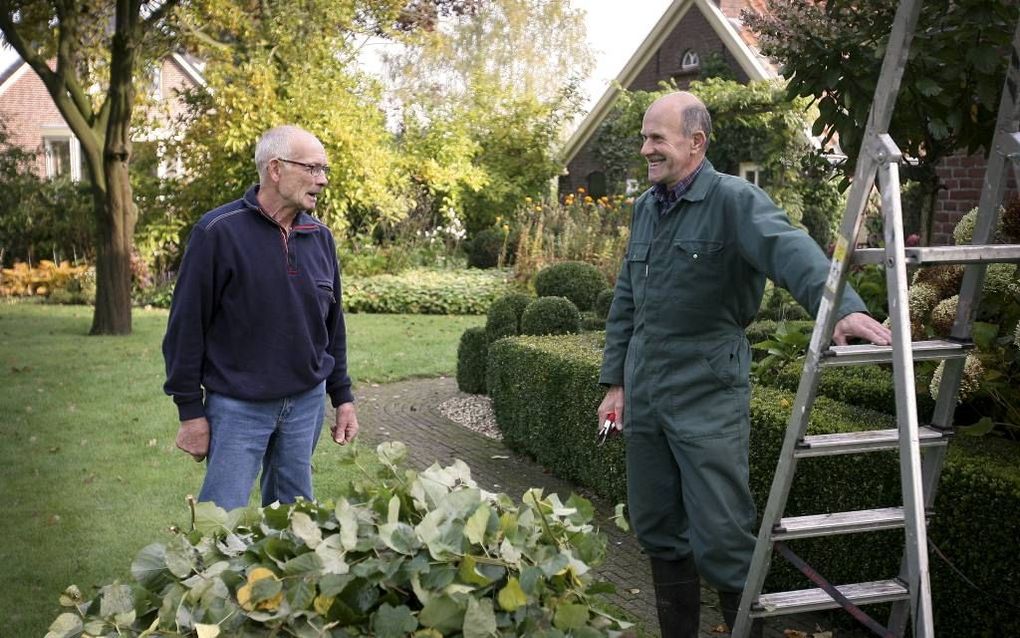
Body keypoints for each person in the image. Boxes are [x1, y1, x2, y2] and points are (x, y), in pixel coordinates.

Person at [597, 92, 891, 637]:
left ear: (695, 142)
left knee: (723, 538)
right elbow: (626, 302)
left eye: (656, 138)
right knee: (658, 526)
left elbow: (790, 249)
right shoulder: (646, 207)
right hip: (645, 388)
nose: (646, 149)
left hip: (707, 390)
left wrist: (842, 310)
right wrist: (615, 382)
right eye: (645, 137)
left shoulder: (734, 201)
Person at [163, 125, 359, 511]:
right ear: (275, 169)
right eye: (313, 169)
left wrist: (343, 397)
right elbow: (186, 329)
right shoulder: (217, 232)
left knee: (294, 519)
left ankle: (284, 576)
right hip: (238, 407)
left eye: (324, 170)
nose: (322, 180)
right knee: (219, 518)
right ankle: (206, 574)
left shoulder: (320, 237)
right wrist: (190, 412)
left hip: (305, 405)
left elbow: (331, 326)